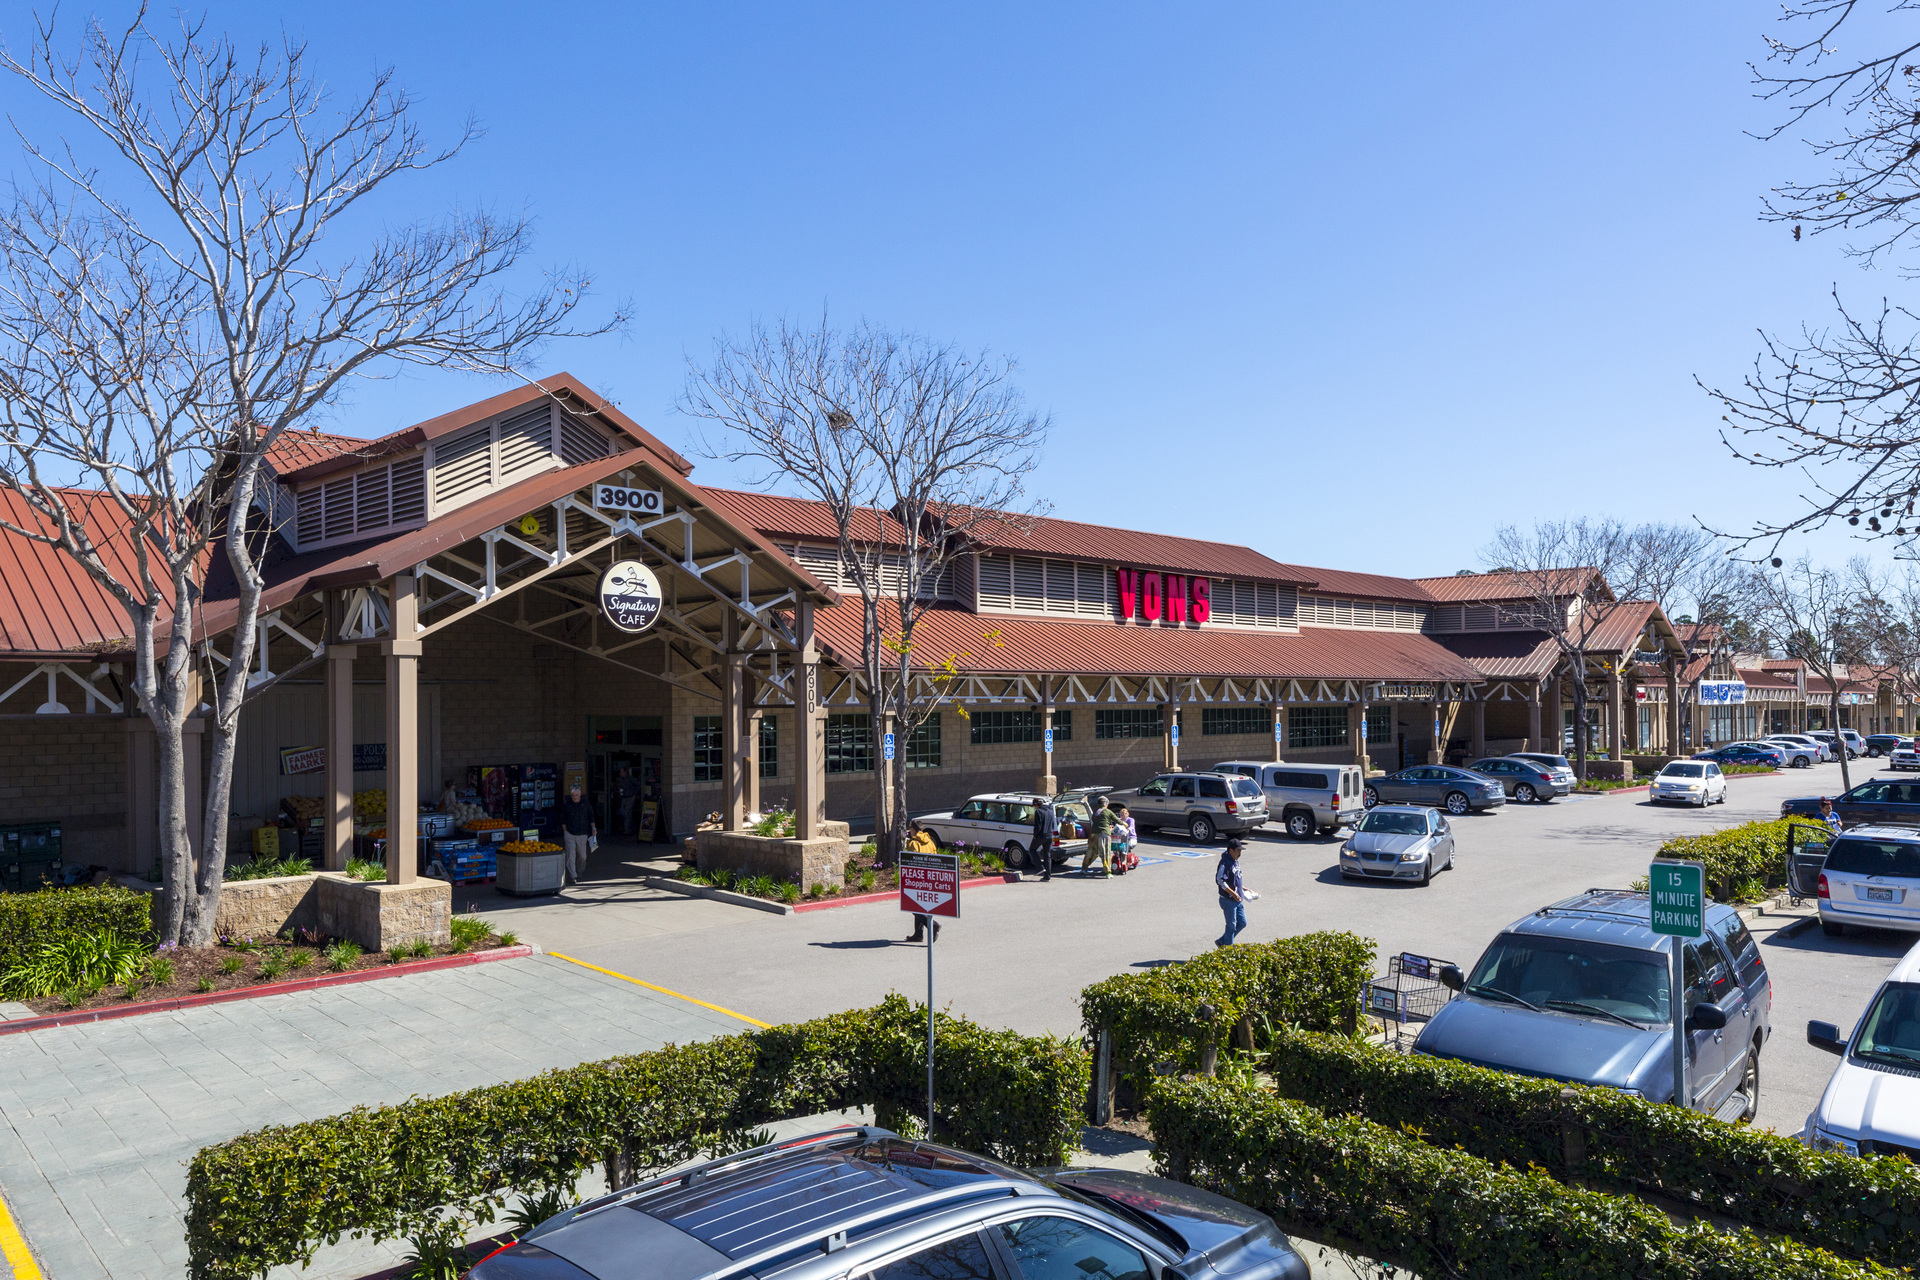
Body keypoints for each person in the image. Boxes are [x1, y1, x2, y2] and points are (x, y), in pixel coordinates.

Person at [904, 820, 942, 942]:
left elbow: (911, 863)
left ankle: (932, 924)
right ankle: (918, 934)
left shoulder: (914, 843)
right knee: (921, 905)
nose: (909, 830)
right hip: (930, 877)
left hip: (917, 878)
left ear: (913, 829)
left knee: (912, 905)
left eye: (910, 828)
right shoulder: (930, 841)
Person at [560, 783, 596, 885]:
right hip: (570, 833)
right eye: (573, 795)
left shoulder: (585, 804)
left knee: (582, 855)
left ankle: (580, 871)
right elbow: (562, 818)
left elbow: (591, 816)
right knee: (571, 855)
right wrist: (565, 831)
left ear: (580, 795)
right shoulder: (567, 804)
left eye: (576, 795)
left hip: (582, 833)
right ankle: (573, 876)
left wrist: (593, 828)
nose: (574, 797)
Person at [1216, 838, 1247, 947]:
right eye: (1238, 851)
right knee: (1231, 926)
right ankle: (1229, 952)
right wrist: (1233, 893)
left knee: (1242, 923)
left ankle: (1222, 941)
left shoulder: (1235, 861)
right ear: (1231, 851)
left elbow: (1235, 879)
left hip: (1237, 898)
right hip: (1228, 900)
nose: (1240, 854)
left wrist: (1243, 888)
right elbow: (1220, 880)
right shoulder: (1225, 863)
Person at [1082, 796, 1119, 876]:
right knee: (1106, 853)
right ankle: (1108, 872)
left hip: (1094, 834)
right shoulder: (1108, 811)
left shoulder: (1095, 812)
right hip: (1104, 835)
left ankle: (1084, 869)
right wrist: (1125, 824)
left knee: (1091, 852)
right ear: (1106, 804)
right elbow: (1117, 820)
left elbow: (1094, 822)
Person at [1029, 798, 1058, 882]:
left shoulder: (1038, 812)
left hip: (1041, 835)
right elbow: (1053, 823)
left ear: (1036, 804)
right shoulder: (1050, 811)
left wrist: (1035, 836)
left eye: (1034, 806)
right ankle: (1047, 876)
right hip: (1049, 835)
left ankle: (1040, 868)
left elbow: (1038, 826)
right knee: (1047, 855)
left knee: (1032, 849)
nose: (1034, 807)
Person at [615, 766, 640, 837]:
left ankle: (627, 830)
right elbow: (620, 788)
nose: (620, 773)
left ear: (625, 772)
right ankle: (633, 826)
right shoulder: (620, 780)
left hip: (630, 797)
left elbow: (638, 784)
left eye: (622, 772)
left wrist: (635, 794)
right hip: (624, 798)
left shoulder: (630, 778)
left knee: (627, 813)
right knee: (623, 812)